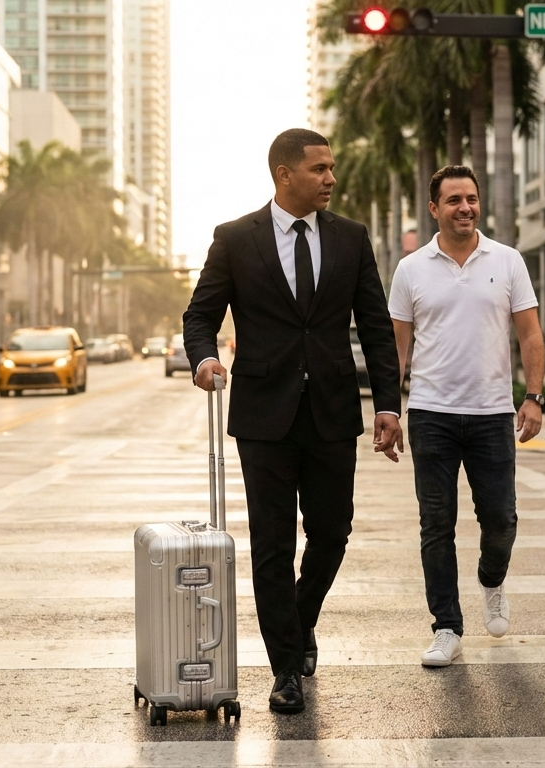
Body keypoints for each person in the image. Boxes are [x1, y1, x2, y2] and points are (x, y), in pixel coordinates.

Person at [183, 128, 403, 714]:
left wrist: (387, 404)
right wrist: (204, 358)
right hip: (263, 416)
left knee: (333, 532)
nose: (331, 178)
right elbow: (199, 314)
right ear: (285, 174)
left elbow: (377, 328)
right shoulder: (234, 239)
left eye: (332, 168)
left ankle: (300, 622)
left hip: (332, 413)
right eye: (320, 169)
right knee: (273, 547)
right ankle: (286, 669)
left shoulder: (351, 239)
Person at [389, 165, 545, 668]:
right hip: (431, 413)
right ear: (434, 208)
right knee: (436, 525)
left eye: (471, 198)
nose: (465, 207)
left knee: (500, 519)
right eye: (453, 200)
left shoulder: (507, 260)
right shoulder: (411, 269)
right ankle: (446, 627)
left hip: (491, 413)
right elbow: (397, 348)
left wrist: (534, 396)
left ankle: (492, 580)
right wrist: (390, 410)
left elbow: (530, 335)